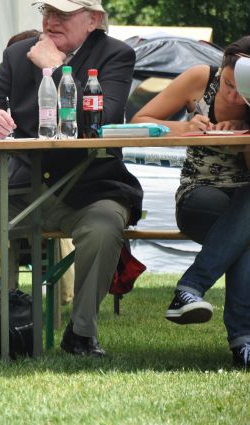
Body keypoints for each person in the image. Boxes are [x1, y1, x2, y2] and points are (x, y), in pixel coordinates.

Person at [0, 0, 143, 357]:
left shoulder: (116, 54)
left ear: (93, 19)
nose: (50, 21)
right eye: (46, 12)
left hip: (91, 189)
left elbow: (100, 123)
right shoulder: (19, 54)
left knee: (104, 227)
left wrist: (58, 68)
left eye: (62, 14)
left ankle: (81, 333)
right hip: (21, 187)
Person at [131, 36, 250, 368]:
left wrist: (243, 139)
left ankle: (190, 289)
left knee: (246, 232)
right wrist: (183, 128)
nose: (231, 95)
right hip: (199, 196)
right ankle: (243, 340)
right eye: (227, 84)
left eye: (241, 91)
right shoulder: (201, 77)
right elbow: (140, 120)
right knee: (245, 232)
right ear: (222, 69)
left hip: (243, 202)